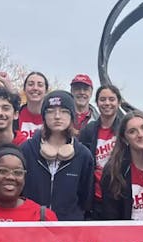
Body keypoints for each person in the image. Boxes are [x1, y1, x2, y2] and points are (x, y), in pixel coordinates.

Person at [19, 90, 94, 220]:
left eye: (64, 111)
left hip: (69, 232)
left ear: (72, 116)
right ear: (43, 116)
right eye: (51, 111)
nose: (57, 116)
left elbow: (85, 199)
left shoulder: (83, 155)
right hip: (31, 227)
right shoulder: (26, 150)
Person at [79, 84, 124, 213]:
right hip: (94, 196)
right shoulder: (88, 130)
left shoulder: (125, 128)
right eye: (103, 99)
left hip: (118, 195)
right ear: (97, 103)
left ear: (118, 102)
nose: (107, 103)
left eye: (111, 99)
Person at [16, 71, 48, 145]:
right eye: (30, 84)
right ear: (24, 89)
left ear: (46, 91)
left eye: (40, 85)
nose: (35, 88)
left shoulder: (53, 117)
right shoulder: (14, 116)